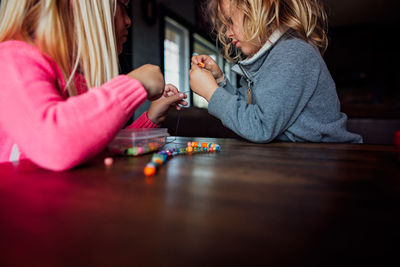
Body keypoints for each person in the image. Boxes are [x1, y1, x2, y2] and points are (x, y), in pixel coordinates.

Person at [0, 0, 187, 171]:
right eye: (122, 5)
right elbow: (53, 143)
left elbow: (97, 147)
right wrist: (135, 85)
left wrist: (151, 117)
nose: (129, 21)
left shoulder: (76, 77)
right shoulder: (11, 60)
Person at [190, 0, 362, 143]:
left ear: (258, 10)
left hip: (326, 156)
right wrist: (220, 81)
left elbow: (260, 127)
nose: (227, 33)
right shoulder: (270, 57)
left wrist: (211, 93)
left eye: (230, 22)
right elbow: (250, 111)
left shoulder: (292, 52)